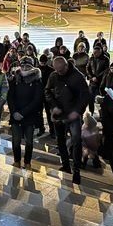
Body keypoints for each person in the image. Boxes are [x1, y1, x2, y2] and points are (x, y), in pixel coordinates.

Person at [45, 56, 90, 184]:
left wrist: (77, 111)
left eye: (61, 70)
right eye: (56, 70)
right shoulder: (53, 76)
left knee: (76, 141)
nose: (59, 72)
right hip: (59, 114)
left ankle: (76, 170)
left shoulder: (78, 76)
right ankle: (65, 165)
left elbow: (85, 95)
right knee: (60, 140)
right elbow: (47, 91)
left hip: (73, 115)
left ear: (66, 65)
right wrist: (54, 106)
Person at [7, 56, 43, 168]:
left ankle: (27, 162)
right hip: (16, 114)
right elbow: (10, 97)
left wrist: (23, 113)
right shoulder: (15, 79)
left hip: (29, 115)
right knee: (16, 140)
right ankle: (17, 160)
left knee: (29, 141)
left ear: (32, 67)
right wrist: (14, 112)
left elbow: (37, 100)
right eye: (23, 66)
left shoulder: (37, 81)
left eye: (28, 66)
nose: (25, 68)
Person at [86, 45, 109, 113]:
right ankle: (91, 112)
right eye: (94, 52)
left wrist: (97, 77)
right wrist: (91, 77)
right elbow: (88, 68)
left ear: (100, 52)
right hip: (92, 82)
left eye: (96, 53)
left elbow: (106, 70)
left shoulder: (105, 59)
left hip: (101, 82)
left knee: (101, 99)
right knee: (90, 98)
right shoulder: (91, 59)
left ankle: (102, 113)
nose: (94, 54)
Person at [37, 54, 55, 137]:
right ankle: (41, 129)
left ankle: (52, 130)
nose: (42, 64)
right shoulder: (36, 70)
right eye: (41, 62)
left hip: (48, 93)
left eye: (44, 63)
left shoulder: (51, 70)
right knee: (39, 113)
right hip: (39, 94)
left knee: (49, 113)